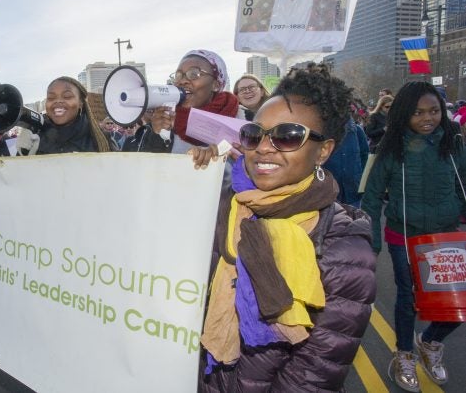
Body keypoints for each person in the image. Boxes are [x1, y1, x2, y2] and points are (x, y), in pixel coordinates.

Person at [192, 63, 376, 392]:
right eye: (253, 134)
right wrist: (192, 176)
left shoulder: (343, 248)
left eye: (287, 136)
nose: (264, 147)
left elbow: (312, 375)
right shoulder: (224, 206)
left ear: (323, 151)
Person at [361, 81, 463, 392]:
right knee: (408, 299)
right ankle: (404, 353)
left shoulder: (454, 143)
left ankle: (429, 342)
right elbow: (373, 196)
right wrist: (372, 242)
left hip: (445, 238)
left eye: (434, 110)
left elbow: (463, 185)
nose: (427, 118)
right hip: (403, 236)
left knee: (454, 304)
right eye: (418, 112)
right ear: (404, 114)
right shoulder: (391, 149)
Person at [139, 49, 239, 154]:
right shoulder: (164, 120)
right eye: (178, 75)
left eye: (194, 74)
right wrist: (157, 135)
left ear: (215, 85)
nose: (182, 81)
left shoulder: (243, 121)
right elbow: (150, 167)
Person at [17, 77, 113, 155]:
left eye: (67, 96)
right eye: (51, 98)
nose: (57, 101)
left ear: (81, 103)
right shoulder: (35, 134)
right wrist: (24, 154)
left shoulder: (100, 137)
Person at [323, 114, 369, 207]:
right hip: (329, 191)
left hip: (353, 190)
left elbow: (364, 155)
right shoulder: (322, 132)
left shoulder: (356, 131)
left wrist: (360, 178)